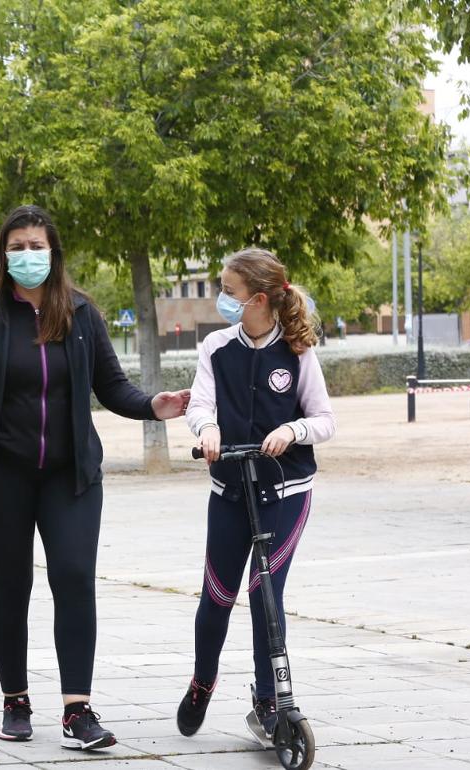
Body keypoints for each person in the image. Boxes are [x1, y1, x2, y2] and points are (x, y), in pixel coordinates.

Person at [0, 205, 191, 751]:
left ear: (53, 251)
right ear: (2, 254)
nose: (27, 255)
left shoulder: (81, 314)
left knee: (75, 576)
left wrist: (155, 404)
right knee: (11, 586)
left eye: (36, 245)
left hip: (69, 476)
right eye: (17, 247)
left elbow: (112, 386)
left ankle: (77, 711)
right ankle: (15, 699)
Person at [177, 247, 335, 745]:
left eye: (229, 291)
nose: (221, 297)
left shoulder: (298, 351)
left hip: (285, 490)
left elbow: (325, 421)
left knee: (265, 591)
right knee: (217, 596)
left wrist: (293, 430)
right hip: (229, 487)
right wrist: (206, 430)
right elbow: (200, 403)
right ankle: (203, 681)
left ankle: (269, 702)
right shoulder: (216, 348)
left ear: (259, 299)